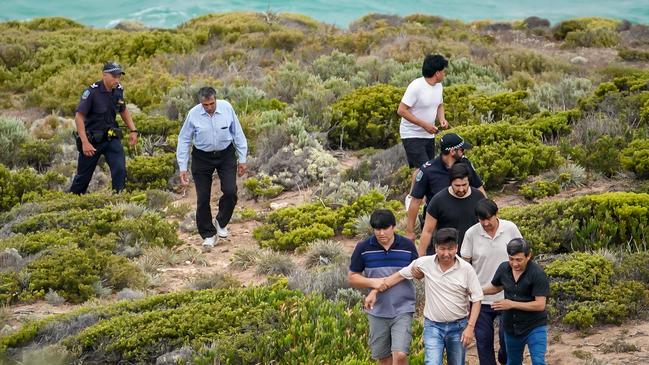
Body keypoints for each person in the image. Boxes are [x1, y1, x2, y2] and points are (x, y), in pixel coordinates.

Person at [367, 228, 483, 365]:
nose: (446, 253)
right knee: (432, 362)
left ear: (457, 248)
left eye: (451, 249)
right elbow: (398, 276)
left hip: (458, 327)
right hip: (433, 327)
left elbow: (477, 299)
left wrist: (470, 327)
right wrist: (375, 291)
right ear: (435, 248)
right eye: (442, 249)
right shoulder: (424, 263)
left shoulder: (466, 269)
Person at [176, 86, 248, 248]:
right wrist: (182, 167)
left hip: (226, 155)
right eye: (205, 105)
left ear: (216, 99)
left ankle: (221, 222)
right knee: (202, 198)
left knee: (230, 191)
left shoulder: (227, 108)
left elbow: (238, 133)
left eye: (211, 104)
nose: (209, 107)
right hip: (201, 157)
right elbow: (184, 140)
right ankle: (208, 234)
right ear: (200, 103)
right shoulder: (193, 114)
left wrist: (242, 159)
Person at [349, 209, 419, 365]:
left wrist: (418, 272)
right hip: (377, 311)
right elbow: (352, 278)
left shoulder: (407, 246)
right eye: (376, 229)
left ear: (393, 227)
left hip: (403, 308)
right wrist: (373, 283)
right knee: (384, 358)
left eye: (384, 228)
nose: (380, 233)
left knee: (400, 355)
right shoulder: (363, 247)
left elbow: (416, 272)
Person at [460, 199, 523, 365]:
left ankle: (504, 357)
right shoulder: (471, 234)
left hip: (508, 297)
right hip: (481, 298)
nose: (486, 223)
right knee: (483, 341)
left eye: (489, 218)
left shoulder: (510, 228)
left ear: (497, 214)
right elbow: (464, 266)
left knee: (507, 339)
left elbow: (522, 258)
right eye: (482, 220)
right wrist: (467, 295)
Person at [69, 62, 138, 194]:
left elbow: (123, 110)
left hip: (111, 138)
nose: (117, 80)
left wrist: (133, 130)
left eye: (119, 76)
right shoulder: (91, 92)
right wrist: (85, 142)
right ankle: (70, 204)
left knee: (120, 170)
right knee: (83, 178)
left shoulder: (118, 90)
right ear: (104, 75)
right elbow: (79, 118)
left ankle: (119, 200)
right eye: (114, 76)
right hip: (92, 141)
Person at [405, 133, 485, 241]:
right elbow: (415, 201)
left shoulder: (465, 164)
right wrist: (410, 231)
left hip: (466, 220)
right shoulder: (428, 170)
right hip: (437, 223)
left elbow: (480, 190)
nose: (463, 153)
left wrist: (488, 214)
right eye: (462, 150)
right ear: (452, 151)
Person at [482, 238, 550, 365]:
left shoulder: (537, 273)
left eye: (519, 260)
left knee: (538, 362)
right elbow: (496, 286)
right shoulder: (504, 268)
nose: (514, 264)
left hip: (534, 326)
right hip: (511, 327)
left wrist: (512, 304)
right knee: (513, 362)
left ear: (528, 256)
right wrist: (477, 292)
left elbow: (540, 305)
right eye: (511, 259)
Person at [418, 163, 486, 256]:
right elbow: (427, 231)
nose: (461, 189)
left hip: (475, 252)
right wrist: (420, 258)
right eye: (457, 185)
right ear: (450, 183)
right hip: (448, 255)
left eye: (464, 185)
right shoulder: (438, 200)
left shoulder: (479, 197)